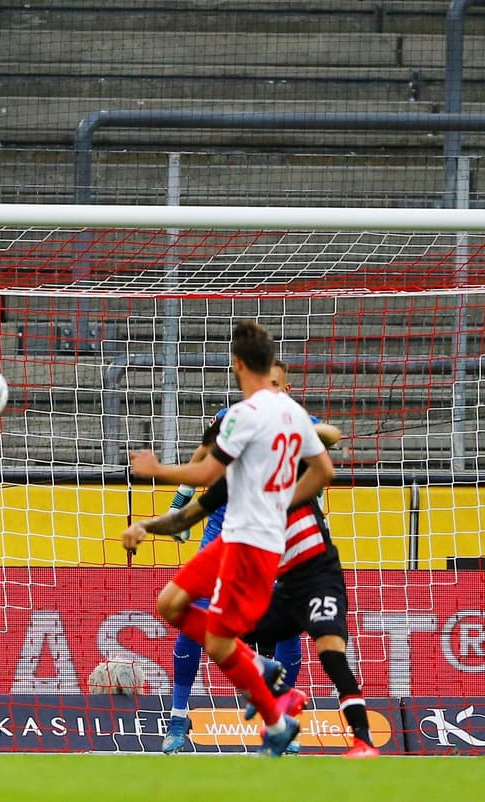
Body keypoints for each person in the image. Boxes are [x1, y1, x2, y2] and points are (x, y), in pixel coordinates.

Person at [123, 322, 334, 757]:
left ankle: (275, 717)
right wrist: (283, 501)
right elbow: (325, 471)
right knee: (170, 604)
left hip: (251, 546)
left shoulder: (242, 415)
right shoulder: (292, 415)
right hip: (232, 537)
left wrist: (154, 468)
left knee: (219, 642)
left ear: (237, 364)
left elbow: (205, 474)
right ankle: (265, 672)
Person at [134, 423, 379, 758]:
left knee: (330, 653)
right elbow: (188, 507)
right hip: (262, 564)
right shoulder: (231, 475)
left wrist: (292, 426)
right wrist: (145, 524)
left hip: (313, 575)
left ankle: (361, 739)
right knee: (215, 631)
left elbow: (329, 442)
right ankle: (267, 691)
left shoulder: (287, 459)